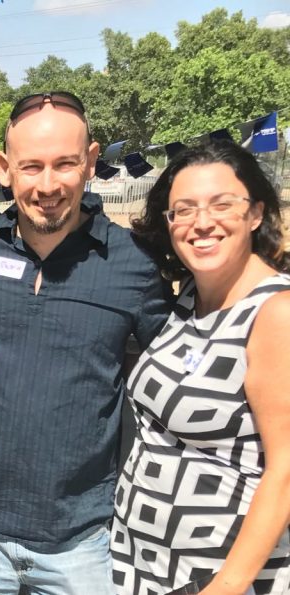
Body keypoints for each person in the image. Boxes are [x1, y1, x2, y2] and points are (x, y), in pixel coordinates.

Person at [0, 91, 173, 593]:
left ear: (91, 162)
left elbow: (174, 373)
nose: (47, 185)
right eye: (31, 166)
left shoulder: (134, 263)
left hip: (81, 539)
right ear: (4, 168)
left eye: (64, 164)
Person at [112, 140, 290, 595]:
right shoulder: (192, 296)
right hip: (145, 566)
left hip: (219, 575)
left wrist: (226, 586)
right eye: (184, 210)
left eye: (222, 204)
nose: (202, 222)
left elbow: (286, 471)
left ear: (255, 213)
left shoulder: (276, 313)